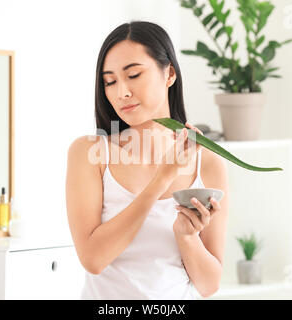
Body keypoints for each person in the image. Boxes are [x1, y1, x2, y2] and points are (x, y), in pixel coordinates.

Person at [66, 20, 229, 299]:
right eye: (110, 81)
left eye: (134, 75)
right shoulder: (90, 153)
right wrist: (162, 178)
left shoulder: (208, 163)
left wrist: (187, 236)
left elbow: (209, 285)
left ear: (169, 75)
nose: (122, 92)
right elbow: (93, 259)